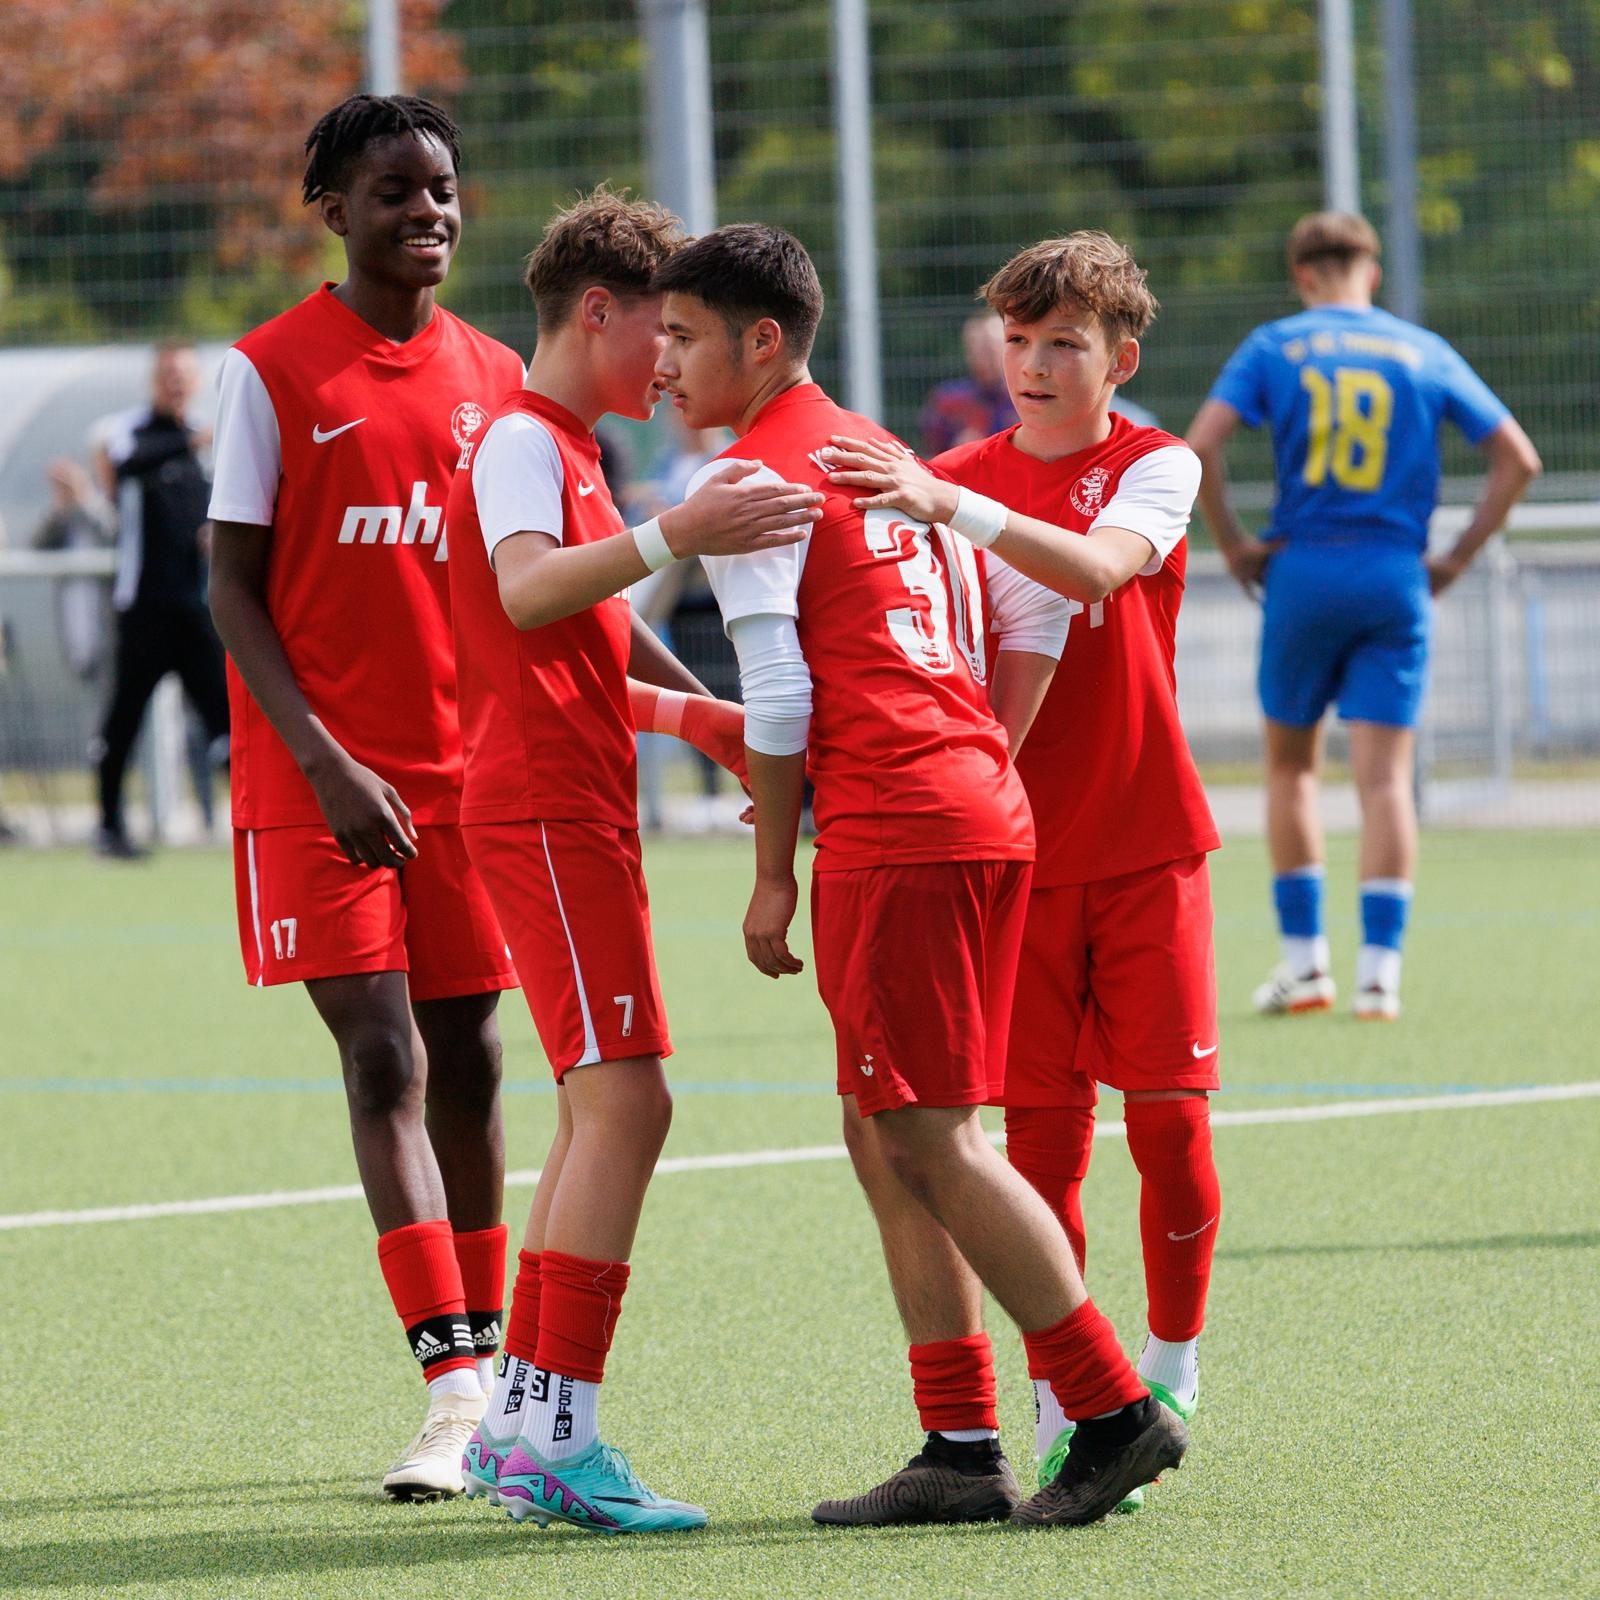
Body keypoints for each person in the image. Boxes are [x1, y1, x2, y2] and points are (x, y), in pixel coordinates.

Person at [652, 222, 1187, 1528]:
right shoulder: (882, 453)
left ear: (759, 342)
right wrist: (969, 755)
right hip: (969, 811)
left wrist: (772, 871)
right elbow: (1025, 613)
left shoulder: (756, 478)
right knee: (884, 1126)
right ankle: (959, 1443)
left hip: (905, 827)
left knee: (932, 1135)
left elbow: (780, 696)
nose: (661, 363)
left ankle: (1113, 1409)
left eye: (680, 336)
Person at [821, 230, 1222, 1513]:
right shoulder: (944, 478)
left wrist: (952, 506)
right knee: (1035, 1145)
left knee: (1168, 1124)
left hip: (1148, 842)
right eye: (1018, 339)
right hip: (1011, 857)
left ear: (1120, 358)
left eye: (1064, 343)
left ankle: (1170, 1365)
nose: (1034, 364)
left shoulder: (1153, 464)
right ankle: (1070, 1409)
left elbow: (1096, 569)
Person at [448, 189, 821, 1535]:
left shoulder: (562, 447)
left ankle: (519, 1424)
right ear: (595, 311)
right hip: (545, 814)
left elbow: (573, 656)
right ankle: (559, 1434)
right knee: (630, 1104)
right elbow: (525, 592)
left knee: (595, 1108)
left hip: (569, 806)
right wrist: (679, 533)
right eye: (658, 330)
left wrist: (700, 721)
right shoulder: (519, 439)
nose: (667, 361)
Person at [206, 94, 524, 1501]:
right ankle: (451, 1390)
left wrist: (701, 709)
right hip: (317, 785)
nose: (427, 211)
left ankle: (496, 1371)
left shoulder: (500, 378)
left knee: (476, 1059)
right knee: (384, 1058)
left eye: (441, 187)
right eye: (394, 191)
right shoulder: (269, 371)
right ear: (334, 211)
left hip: (467, 780)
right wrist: (327, 760)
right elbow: (230, 587)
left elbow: (540, 581)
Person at [1187, 212, 1541, 1020]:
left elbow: (1200, 445)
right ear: (1372, 273)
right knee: (1385, 781)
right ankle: (1380, 976)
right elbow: (1518, 459)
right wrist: (1456, 557)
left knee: (1292, 769)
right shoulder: (1422, 349)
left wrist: (1234, 543)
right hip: (1394, 576)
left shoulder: (1274, 346)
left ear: (1301, 275)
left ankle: (1306, 965)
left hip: (1303, 573)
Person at [89, 343, 231, 859]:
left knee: (227, 717)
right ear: (154, 379)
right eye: (168, 372)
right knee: (125, 718)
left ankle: (253, 822)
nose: (176, 382)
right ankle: (110, 827)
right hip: (143, 606)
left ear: (195, 382)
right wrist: (188, 441)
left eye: (184, 374)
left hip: (195, 607)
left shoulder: (204, 446)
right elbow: (123, 462)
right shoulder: (133, 431)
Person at [919, 312, 1017, 457]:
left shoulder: (1027, 396)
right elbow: (933, 452)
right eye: (975, 349)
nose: (982, 358)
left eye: (989, 349)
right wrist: (956, 451)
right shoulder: (948, 399)